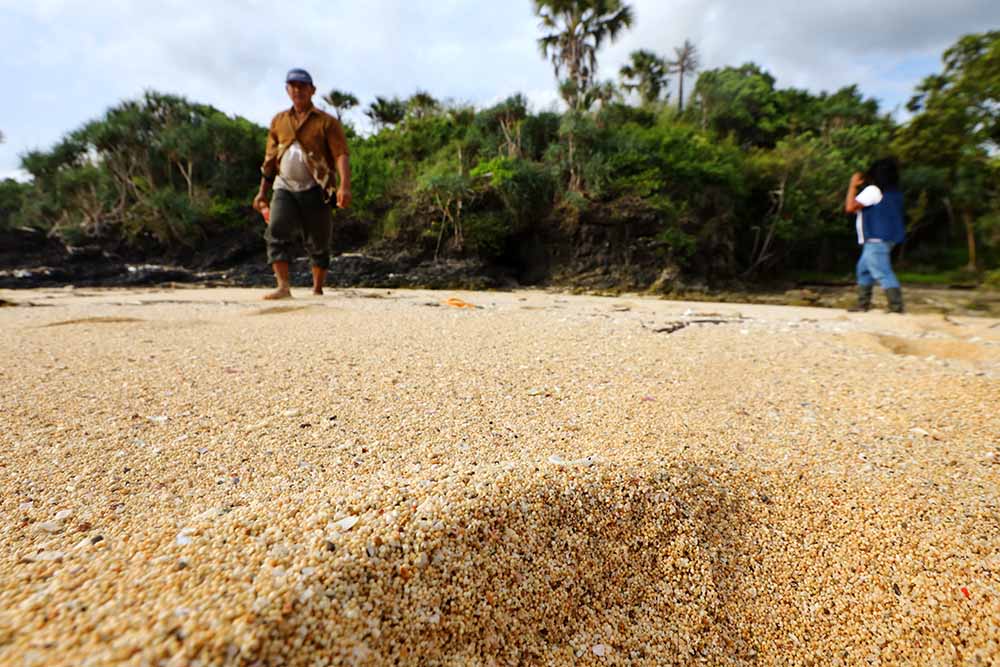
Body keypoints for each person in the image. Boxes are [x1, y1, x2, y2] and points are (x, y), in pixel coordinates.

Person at [254, 68, 352, 299]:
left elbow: (341, 154)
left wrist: (344, 185)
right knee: (276, 230)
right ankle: (283, 286)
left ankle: (317, 288)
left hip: (317, 186)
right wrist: (261, 194)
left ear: (312, 90)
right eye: (293, 86)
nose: (297, 90)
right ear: (287, 90)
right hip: (284, 186)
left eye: (302, 86)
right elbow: (269, 161)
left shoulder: (327, 122)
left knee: (319, 238)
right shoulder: (279, 121)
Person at [844, 157, 906, 313]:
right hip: (887, 237)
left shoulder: (873, 191)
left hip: (875, 238)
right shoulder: (894, 193)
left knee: (881, 270)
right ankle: (862, 304)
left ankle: (896, 306)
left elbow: (850, 207)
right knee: (863, 269)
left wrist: (852, 186)